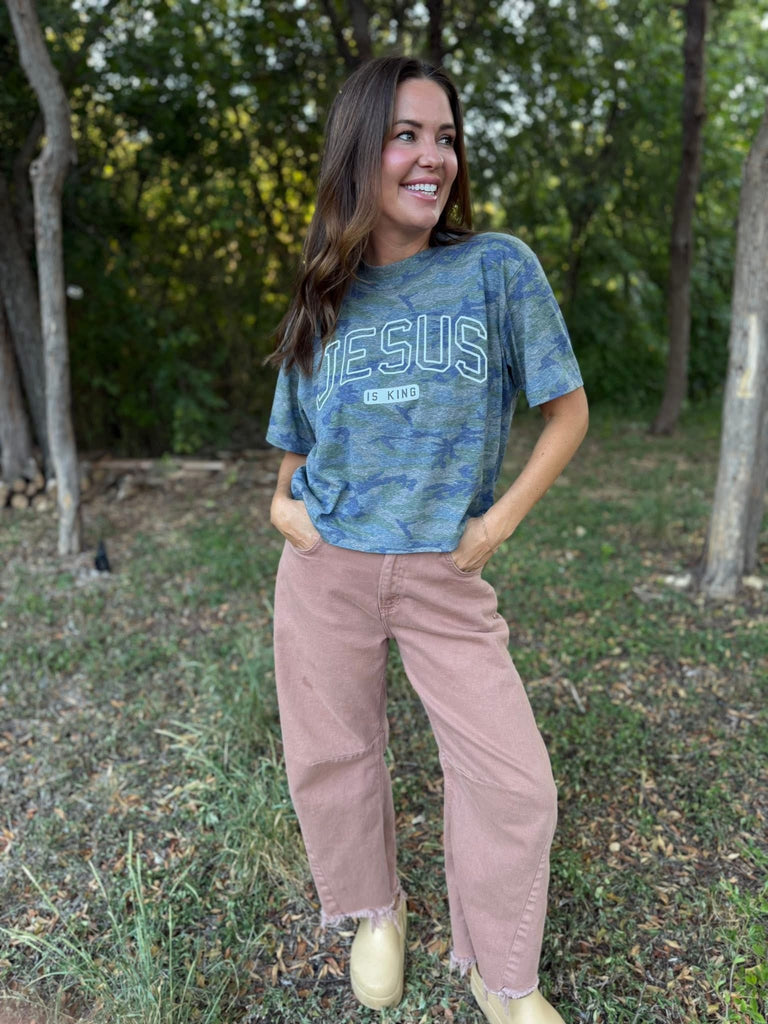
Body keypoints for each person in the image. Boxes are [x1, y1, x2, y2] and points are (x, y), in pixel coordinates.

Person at [266, 54, 588, 1024]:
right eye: (406, 135)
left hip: (446, 567)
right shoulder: (323, 296)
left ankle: (499, 970)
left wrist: (495, 524)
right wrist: (286, 512)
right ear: (361, 151)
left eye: (444, 137)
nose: (432, 156)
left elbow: (567, 413)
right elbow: (290, 454)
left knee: (513, 781)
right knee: (334, 754)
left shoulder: (496, 268)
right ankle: (377, 912)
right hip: (327, 567)